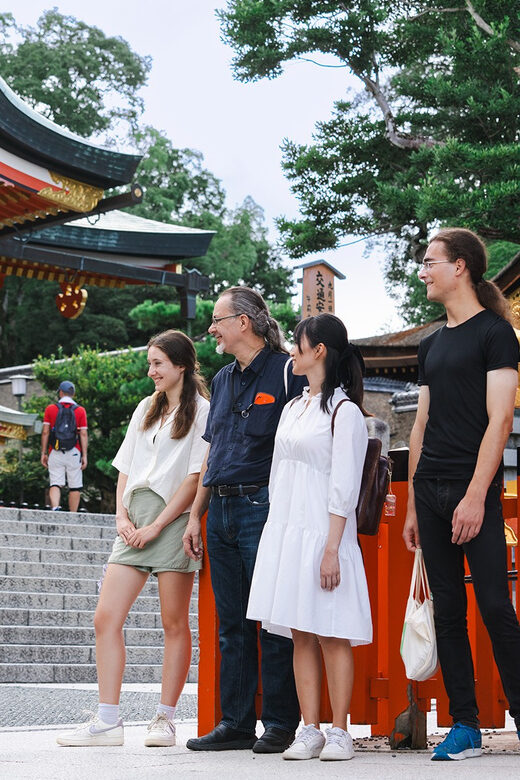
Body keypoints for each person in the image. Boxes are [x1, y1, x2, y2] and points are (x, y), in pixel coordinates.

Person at [56, 330, 209, 748]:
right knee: (106, 618)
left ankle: (165, 718)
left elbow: (196, 477)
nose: (151, 371)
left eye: (158, 363)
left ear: (181, 365)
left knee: (174, 623)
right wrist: (121, 514)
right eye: (150, 363)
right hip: (132, 520)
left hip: (172, 521)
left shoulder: (203, 413)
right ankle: (108, 721)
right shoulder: (146, 407)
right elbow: (126, 465)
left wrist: (159, 525)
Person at [402, 228, 520, 761]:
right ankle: (465, 724)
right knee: (447, 609)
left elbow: (500, 421)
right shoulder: (430, 344)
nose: (423, 271)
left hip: (475, 490)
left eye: (431, 262)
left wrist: (476, 496)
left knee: (496, 606)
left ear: (461, 267)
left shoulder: (497, 334)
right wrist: (410, 504)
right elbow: (420, 427)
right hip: (428, 490)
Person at [183, 287, 305, 754]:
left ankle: (280, 723)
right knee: (231, 624)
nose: (211, 328)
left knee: (272, 620)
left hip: (265, 507)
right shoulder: (222, 379)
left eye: (217, 319)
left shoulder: (289, 371)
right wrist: (196, 515)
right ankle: (235, 723)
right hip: (221, 512)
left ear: (244, 322)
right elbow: (213, 450)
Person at [247, 313, 372, 761]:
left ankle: (341, 730)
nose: (292, 351)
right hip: (287, 529)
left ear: (318, 351)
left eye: (298, 344)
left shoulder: (346, 412)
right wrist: (275, 534)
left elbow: (344, 487)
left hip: (324, 533)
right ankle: (311, 727)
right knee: (300, 632)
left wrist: (333, 549)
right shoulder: (293, 407)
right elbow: (278, 473)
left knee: (332, 632)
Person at [41, 380, 88, 512]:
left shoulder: (50, 409)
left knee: (55, 482)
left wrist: (44, 452)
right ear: (73, 394)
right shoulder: (80, 411)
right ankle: (72, 515)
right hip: (74, 451)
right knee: (75, 486)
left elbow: (45, 432)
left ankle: (55, 508)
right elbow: (83, 434)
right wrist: (84, 455)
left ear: (60, 393)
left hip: (55, 451)